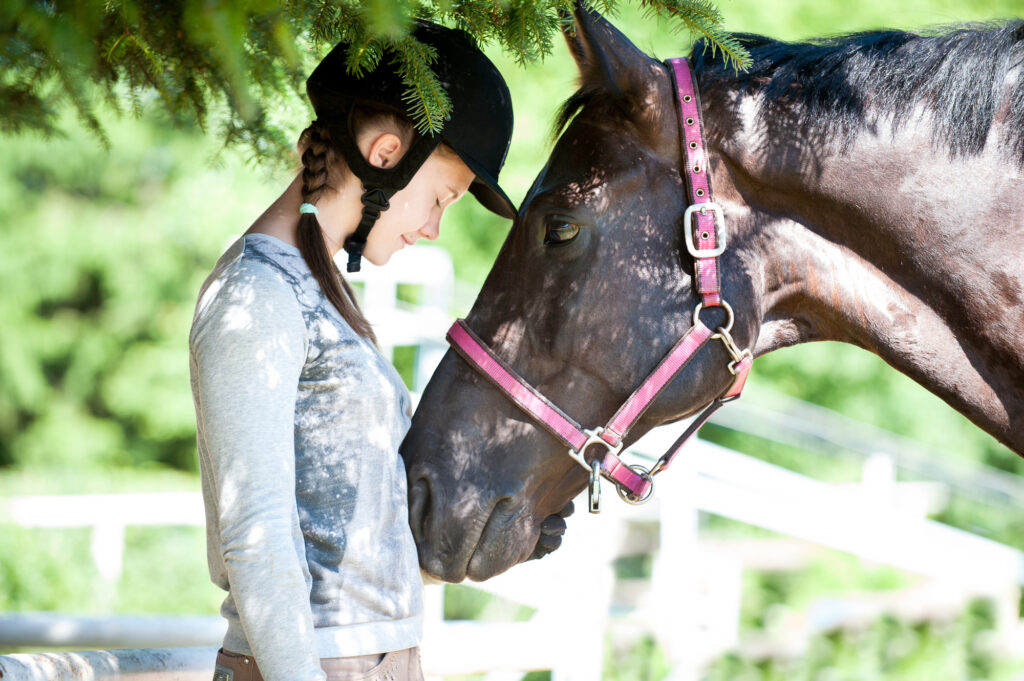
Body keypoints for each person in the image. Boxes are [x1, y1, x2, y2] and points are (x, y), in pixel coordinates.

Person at [188, 20, 515, 681]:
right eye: (441, 198)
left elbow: (354, 534)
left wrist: (501, 542)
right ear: (387, 153)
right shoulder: (257, 294)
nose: (433, 226)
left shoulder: (324, 291)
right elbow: (255, 537)